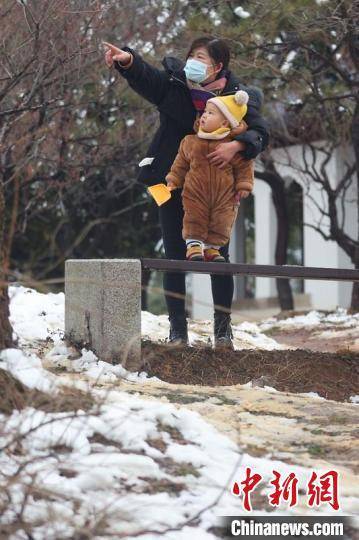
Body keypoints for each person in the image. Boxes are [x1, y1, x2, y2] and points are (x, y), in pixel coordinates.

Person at [103, 36, 269, 348]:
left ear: (218, 66)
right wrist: (128, 60)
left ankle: (223, 330)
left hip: (217, 191)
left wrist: (237, 145)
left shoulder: (238, 98)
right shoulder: (175, 85)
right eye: (191, 54)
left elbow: (261, 132)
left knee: (219, 256)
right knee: (174, 255)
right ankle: (177, 331)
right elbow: (149, 78)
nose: (192, 61)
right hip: (168, 182)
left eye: (201, 57)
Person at [166, 91, 254, 264]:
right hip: (195, 192)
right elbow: (181, 163)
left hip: (225, 195)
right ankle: (193, 245)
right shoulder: (191, 141)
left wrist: (244, 185)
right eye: (205, 112)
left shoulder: (230, 146)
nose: (204, 115)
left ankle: (212, 248)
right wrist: (174, 178)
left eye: (210, 113)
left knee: (222, 221)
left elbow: (245, 165)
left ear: (224, 122)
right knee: (194, 216)